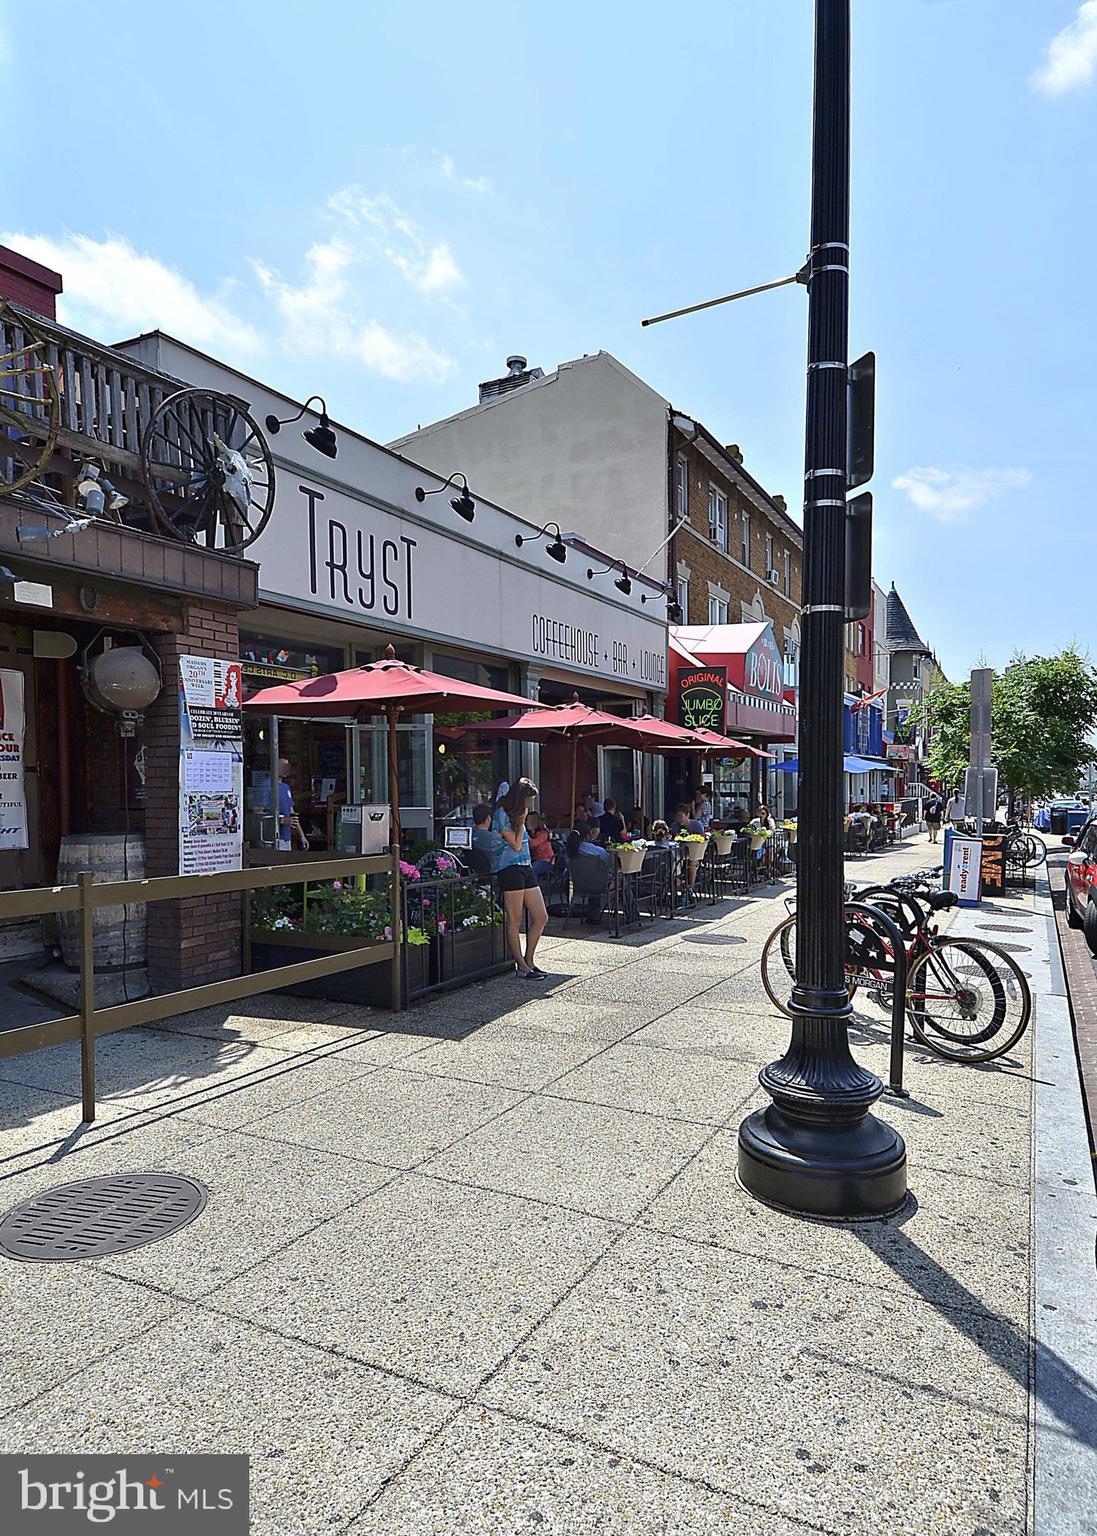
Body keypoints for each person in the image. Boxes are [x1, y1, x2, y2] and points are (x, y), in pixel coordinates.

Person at [492, 778, 549, 978]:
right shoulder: (501, 814)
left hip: (525, 866)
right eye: (528, 800)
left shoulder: (518, 815)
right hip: (509, 868)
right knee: (515, 920)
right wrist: (522, 822)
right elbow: (515, 845)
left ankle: (530, 960)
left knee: (541, 916)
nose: (530, 805)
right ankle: (521, 966)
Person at [277, 757, 309, 851]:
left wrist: (302, 836)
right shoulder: (267, 786)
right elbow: (258, 812)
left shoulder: (285, 787)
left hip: (287, 838)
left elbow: (292, 812)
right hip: (274, 839)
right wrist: (280, 820)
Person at [526, 812, 554, 877]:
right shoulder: (532, 835)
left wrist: (525, 834)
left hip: (546, 861)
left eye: (529, 820)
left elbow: (533, 844)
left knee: (531, 871)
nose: (527, 822)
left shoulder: (543, 834)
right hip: (536, 859)